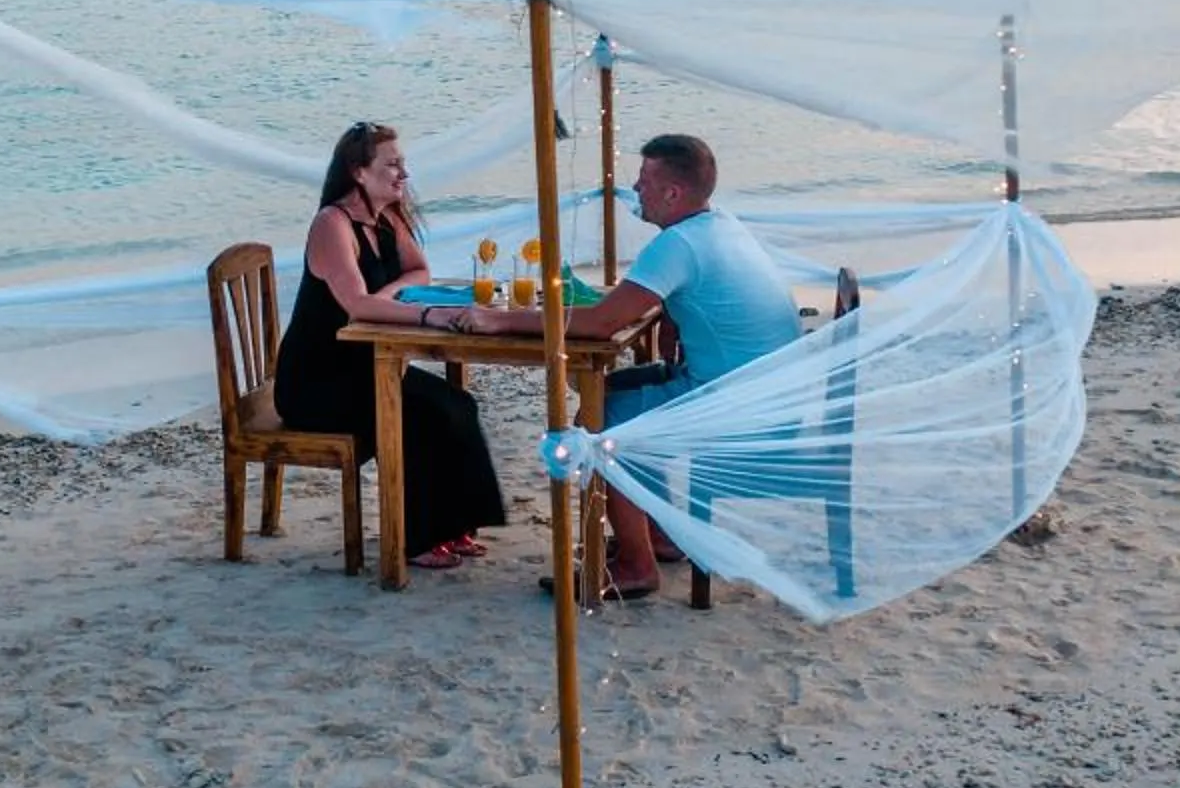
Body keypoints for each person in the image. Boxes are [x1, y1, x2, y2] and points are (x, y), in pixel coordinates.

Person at [463, 132, 800, 598]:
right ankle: (656, 535)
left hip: (738, 410)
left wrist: (500, 322)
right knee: (616, 391)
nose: (635, 191)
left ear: (673, 193)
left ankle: (635, 565)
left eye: (644, 182)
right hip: (773, 395)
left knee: (599, 423)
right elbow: (677, 298)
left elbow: (603, 323)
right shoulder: (720, 225)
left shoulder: (678, 245)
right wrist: (669, 315)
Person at [273, 122, 508, 570]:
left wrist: (385, 297)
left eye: (403, 164)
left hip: (366, 368)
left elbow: (419, 270)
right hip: (317, 382)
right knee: (419, 417)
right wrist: (425, 315)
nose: (403, 175)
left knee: (458, 405)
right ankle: (415, 541)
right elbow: (355, 304)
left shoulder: (386, 216)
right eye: (392, 165)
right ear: (358, 172)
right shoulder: (332, 224)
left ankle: (454, 526)